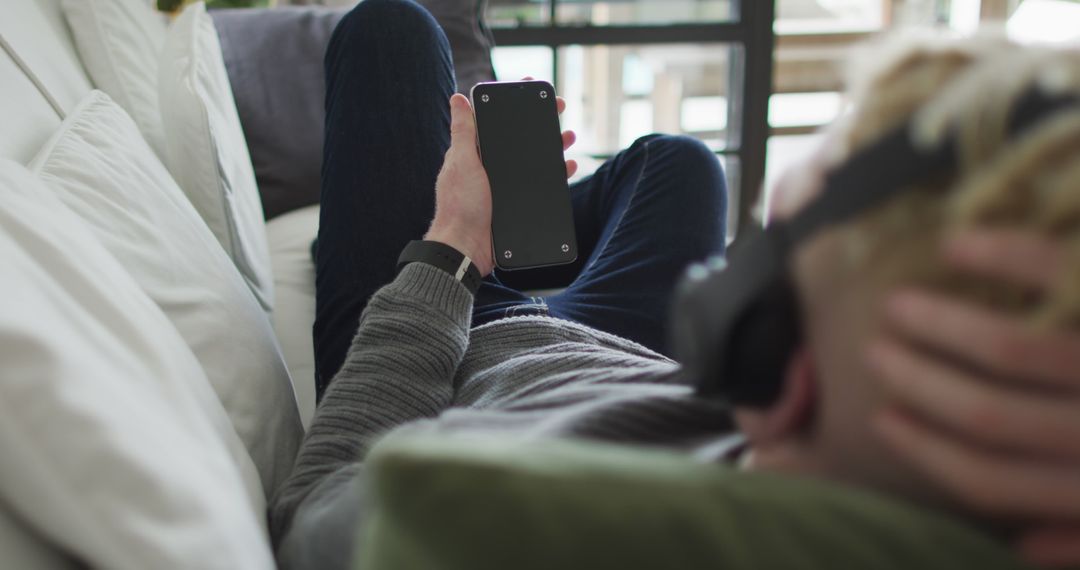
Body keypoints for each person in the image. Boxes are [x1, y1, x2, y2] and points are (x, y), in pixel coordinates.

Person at [270, 1, 1080, 568]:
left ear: (765, 348)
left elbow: (314, 509)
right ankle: (505, 210)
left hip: (449, 333)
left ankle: (457, 210)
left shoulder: (483, 508)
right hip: (614, 351)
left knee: (390, 30)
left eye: (770, 250)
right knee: (678, 163)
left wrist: (450, 245)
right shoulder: (849, 441)